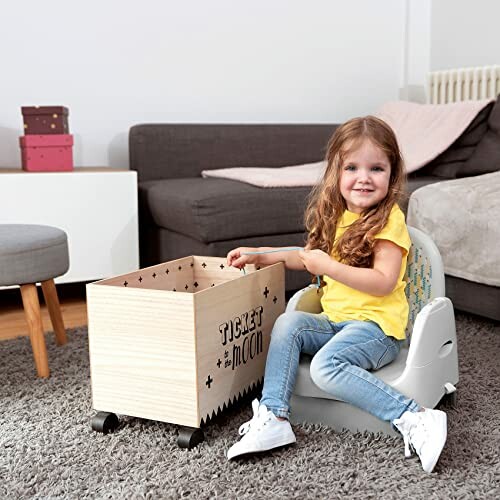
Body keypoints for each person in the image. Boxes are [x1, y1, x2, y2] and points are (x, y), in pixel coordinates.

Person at [225, 116, 447, 473]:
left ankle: (414, 417)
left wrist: (327, 266)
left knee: (327, 367)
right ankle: (274, 417)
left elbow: (383, 281)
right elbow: (305, 257)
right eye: (352, 167)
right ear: (336, 173)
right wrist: (260, 254)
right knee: (289, 323)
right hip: (335, 322)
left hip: (377, 330)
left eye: (376, 168)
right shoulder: (336, 217)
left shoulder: (389, 220)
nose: (364, 177)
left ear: (392, 174)